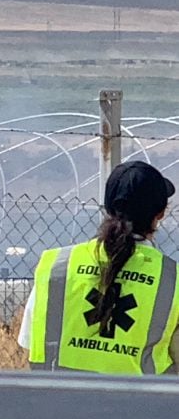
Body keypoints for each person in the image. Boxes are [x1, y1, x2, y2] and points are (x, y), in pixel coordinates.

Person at [18, 160, 179, 374]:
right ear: (160, 214)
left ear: (108, 207)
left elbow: (29, 343)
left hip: (55, 401)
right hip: (139, 404)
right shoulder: (172, 279)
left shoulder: (57, 267)